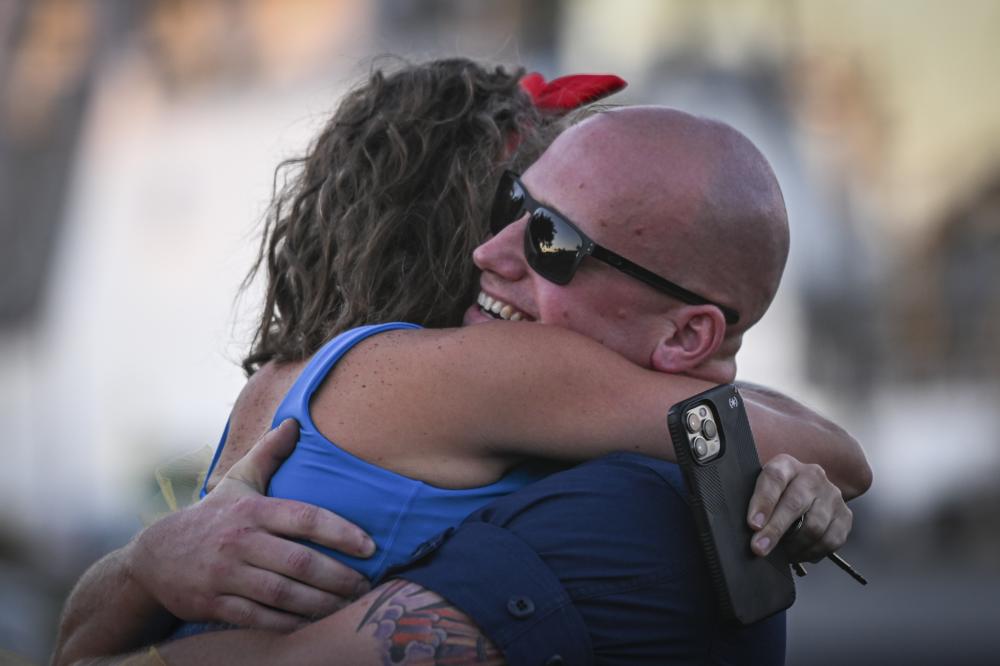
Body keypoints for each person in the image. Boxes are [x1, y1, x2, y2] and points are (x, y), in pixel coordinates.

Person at [53, 63, 869, 664]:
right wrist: (787, 463)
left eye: (551, 239)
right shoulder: (483, 375)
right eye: (512, 205)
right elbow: (836, 451)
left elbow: (77, 641)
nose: (494, 249)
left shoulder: (282, 387)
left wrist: (143, 561)